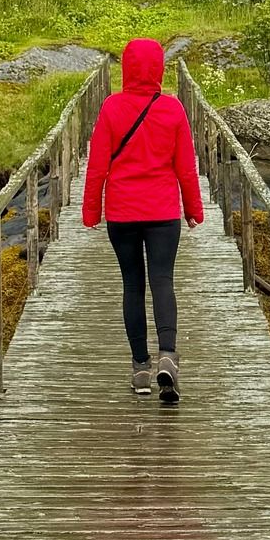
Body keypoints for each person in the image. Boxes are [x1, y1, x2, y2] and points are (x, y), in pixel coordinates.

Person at [81, 36, 204, 403]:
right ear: (159, 68)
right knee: (163, 281)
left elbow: (97, 166)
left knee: (132, 286)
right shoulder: (173, 109)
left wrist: (91, 211)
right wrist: (194, 209)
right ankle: (168, 355)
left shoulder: (111, 108)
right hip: (164, 212)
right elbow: (186, 166)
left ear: (126, 68)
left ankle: (140, 369)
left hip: (122, 212)